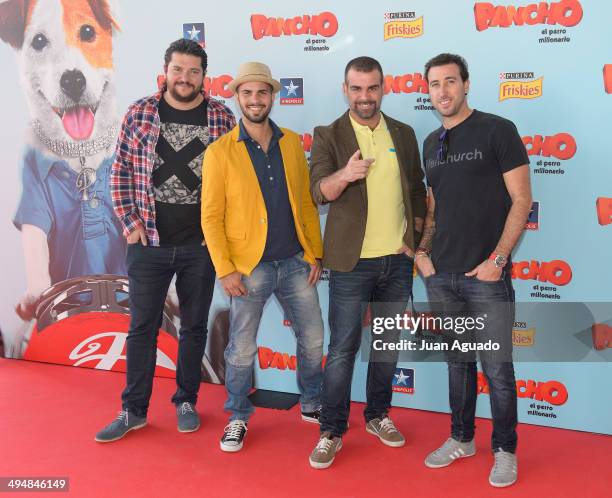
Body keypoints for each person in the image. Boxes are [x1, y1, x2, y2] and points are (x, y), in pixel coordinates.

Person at [95, 38, 236, 442]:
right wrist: (129, 222)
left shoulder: (222, 118)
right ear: (166, 71)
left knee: (194, 328)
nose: (185, 78)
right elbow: (119, 169)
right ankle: (133, 410)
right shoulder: (140, 113)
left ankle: (186, 400)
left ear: (203, 76)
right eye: (178, 69)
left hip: (201, 246)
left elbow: (232, 181)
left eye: (194, 71)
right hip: (149, 243)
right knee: (142, 328)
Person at [416, 53, 532, 488]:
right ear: (427, 91)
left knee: (497, 370)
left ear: (465, 85)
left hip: (486, 276)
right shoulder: (431, 143)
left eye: (450, 81)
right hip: (442, 275)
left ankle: (505, 450)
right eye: (434, 84)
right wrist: (424, 253)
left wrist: (498, 260)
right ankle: (462, 439)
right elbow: (435, 208)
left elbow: (521, 199)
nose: (442, 91)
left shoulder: (498, 130)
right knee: (458, 363)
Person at [307, 56, 427, 469]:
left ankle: (378, 416)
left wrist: (416, 242)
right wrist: (346, 174)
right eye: (356, 89)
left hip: (397, 263)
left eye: (372, 88)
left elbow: (416, 191)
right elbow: (318, 191)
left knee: (388, 346)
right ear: (346, 90)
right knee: (342, 350)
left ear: (383, 88)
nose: (364, 97)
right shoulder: (328, 135)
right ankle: (331, 430)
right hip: (350, 265)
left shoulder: (405, 134)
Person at [201, 62, 325, 452]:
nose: (255, 100)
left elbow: (305, 203)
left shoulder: (290, 143)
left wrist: (315, 253)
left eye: (262, 93)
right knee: (240, 348)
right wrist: (225, 269)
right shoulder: (220, 152)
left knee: (314, 339)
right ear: (237, 98)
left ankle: (312, 402)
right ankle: (237, 416)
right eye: (247, 93)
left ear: (273, 96)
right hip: (247, 268)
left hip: (294, 262)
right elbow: (211, 217)